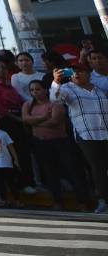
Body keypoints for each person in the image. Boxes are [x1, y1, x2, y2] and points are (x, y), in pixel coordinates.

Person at [21, 78, 90, 210]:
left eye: (38, 89)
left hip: (60, 142)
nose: (35, 92)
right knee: (50, 172)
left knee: (72, 171)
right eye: (32, 90)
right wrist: (42, 118)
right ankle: (57, 200)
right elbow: (25, 119)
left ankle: (82, 201)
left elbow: (54, 121)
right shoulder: (28, 105)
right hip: (40, 143)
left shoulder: (55, 103)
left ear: (46, 90)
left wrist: (35, 122)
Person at [53, 62, 108, 213]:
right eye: (73, 71)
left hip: (106, 133)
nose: (77, 74)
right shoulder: (67, 88)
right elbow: (55, 99)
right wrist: (56, 82)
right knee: (98, 168)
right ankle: (104, 201)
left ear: (89, 74)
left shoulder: (99, 90)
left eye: (81, 71)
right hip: (86, 134)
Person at [0, 58, 37, 193]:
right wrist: (17, 118)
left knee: (24, 151)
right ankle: (21, 183)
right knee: (14, 152)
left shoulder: (11, 85)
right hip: (8, 121)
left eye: (3, 68)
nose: (1, 70)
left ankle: (30, 181)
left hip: (19, 118)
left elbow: (19, 101)